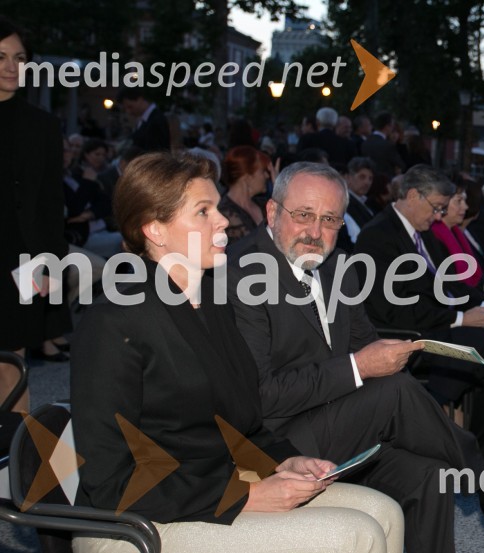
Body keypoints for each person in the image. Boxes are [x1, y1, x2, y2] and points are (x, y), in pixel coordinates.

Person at [228, 162, 484, 549]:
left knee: (430, 475)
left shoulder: (339, 268)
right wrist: (359, 367)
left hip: (341, 421)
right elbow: (261, 396)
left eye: (330, 219)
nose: (315, 232)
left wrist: (373, 367)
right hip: (274, 441)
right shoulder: (242, 274)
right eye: (303, 215)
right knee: (394, 391)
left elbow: (365, 345)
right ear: (272, 212)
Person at [71, 152, 404, 553]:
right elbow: (110, 480)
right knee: (357, 534)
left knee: (384, 511)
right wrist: (246, 497)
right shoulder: (113, 319)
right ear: (155, 229)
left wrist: (286, 460)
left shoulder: (211, 300)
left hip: (217, 485)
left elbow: (244, 420)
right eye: (203, 211)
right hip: (134, 521)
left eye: (217, 207)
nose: (224, 220)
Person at [0, 18, 68, 410]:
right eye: (2, 57)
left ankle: (15, 460)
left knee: (13, 362)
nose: (12, 66)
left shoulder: (42, 125)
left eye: (20, 57)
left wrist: (50, 266)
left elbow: (48, 203)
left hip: (23, 261)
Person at [219, 146, 273, 244]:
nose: (267, 176)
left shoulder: (264, 204)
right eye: (262, 171)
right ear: (248, 177)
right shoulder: (224, 215)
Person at [117, 87, 170, 152]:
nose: (128, 112)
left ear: (140, 99)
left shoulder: (156, 120)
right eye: (125, 109)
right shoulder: (143, 120)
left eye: (130, 107)